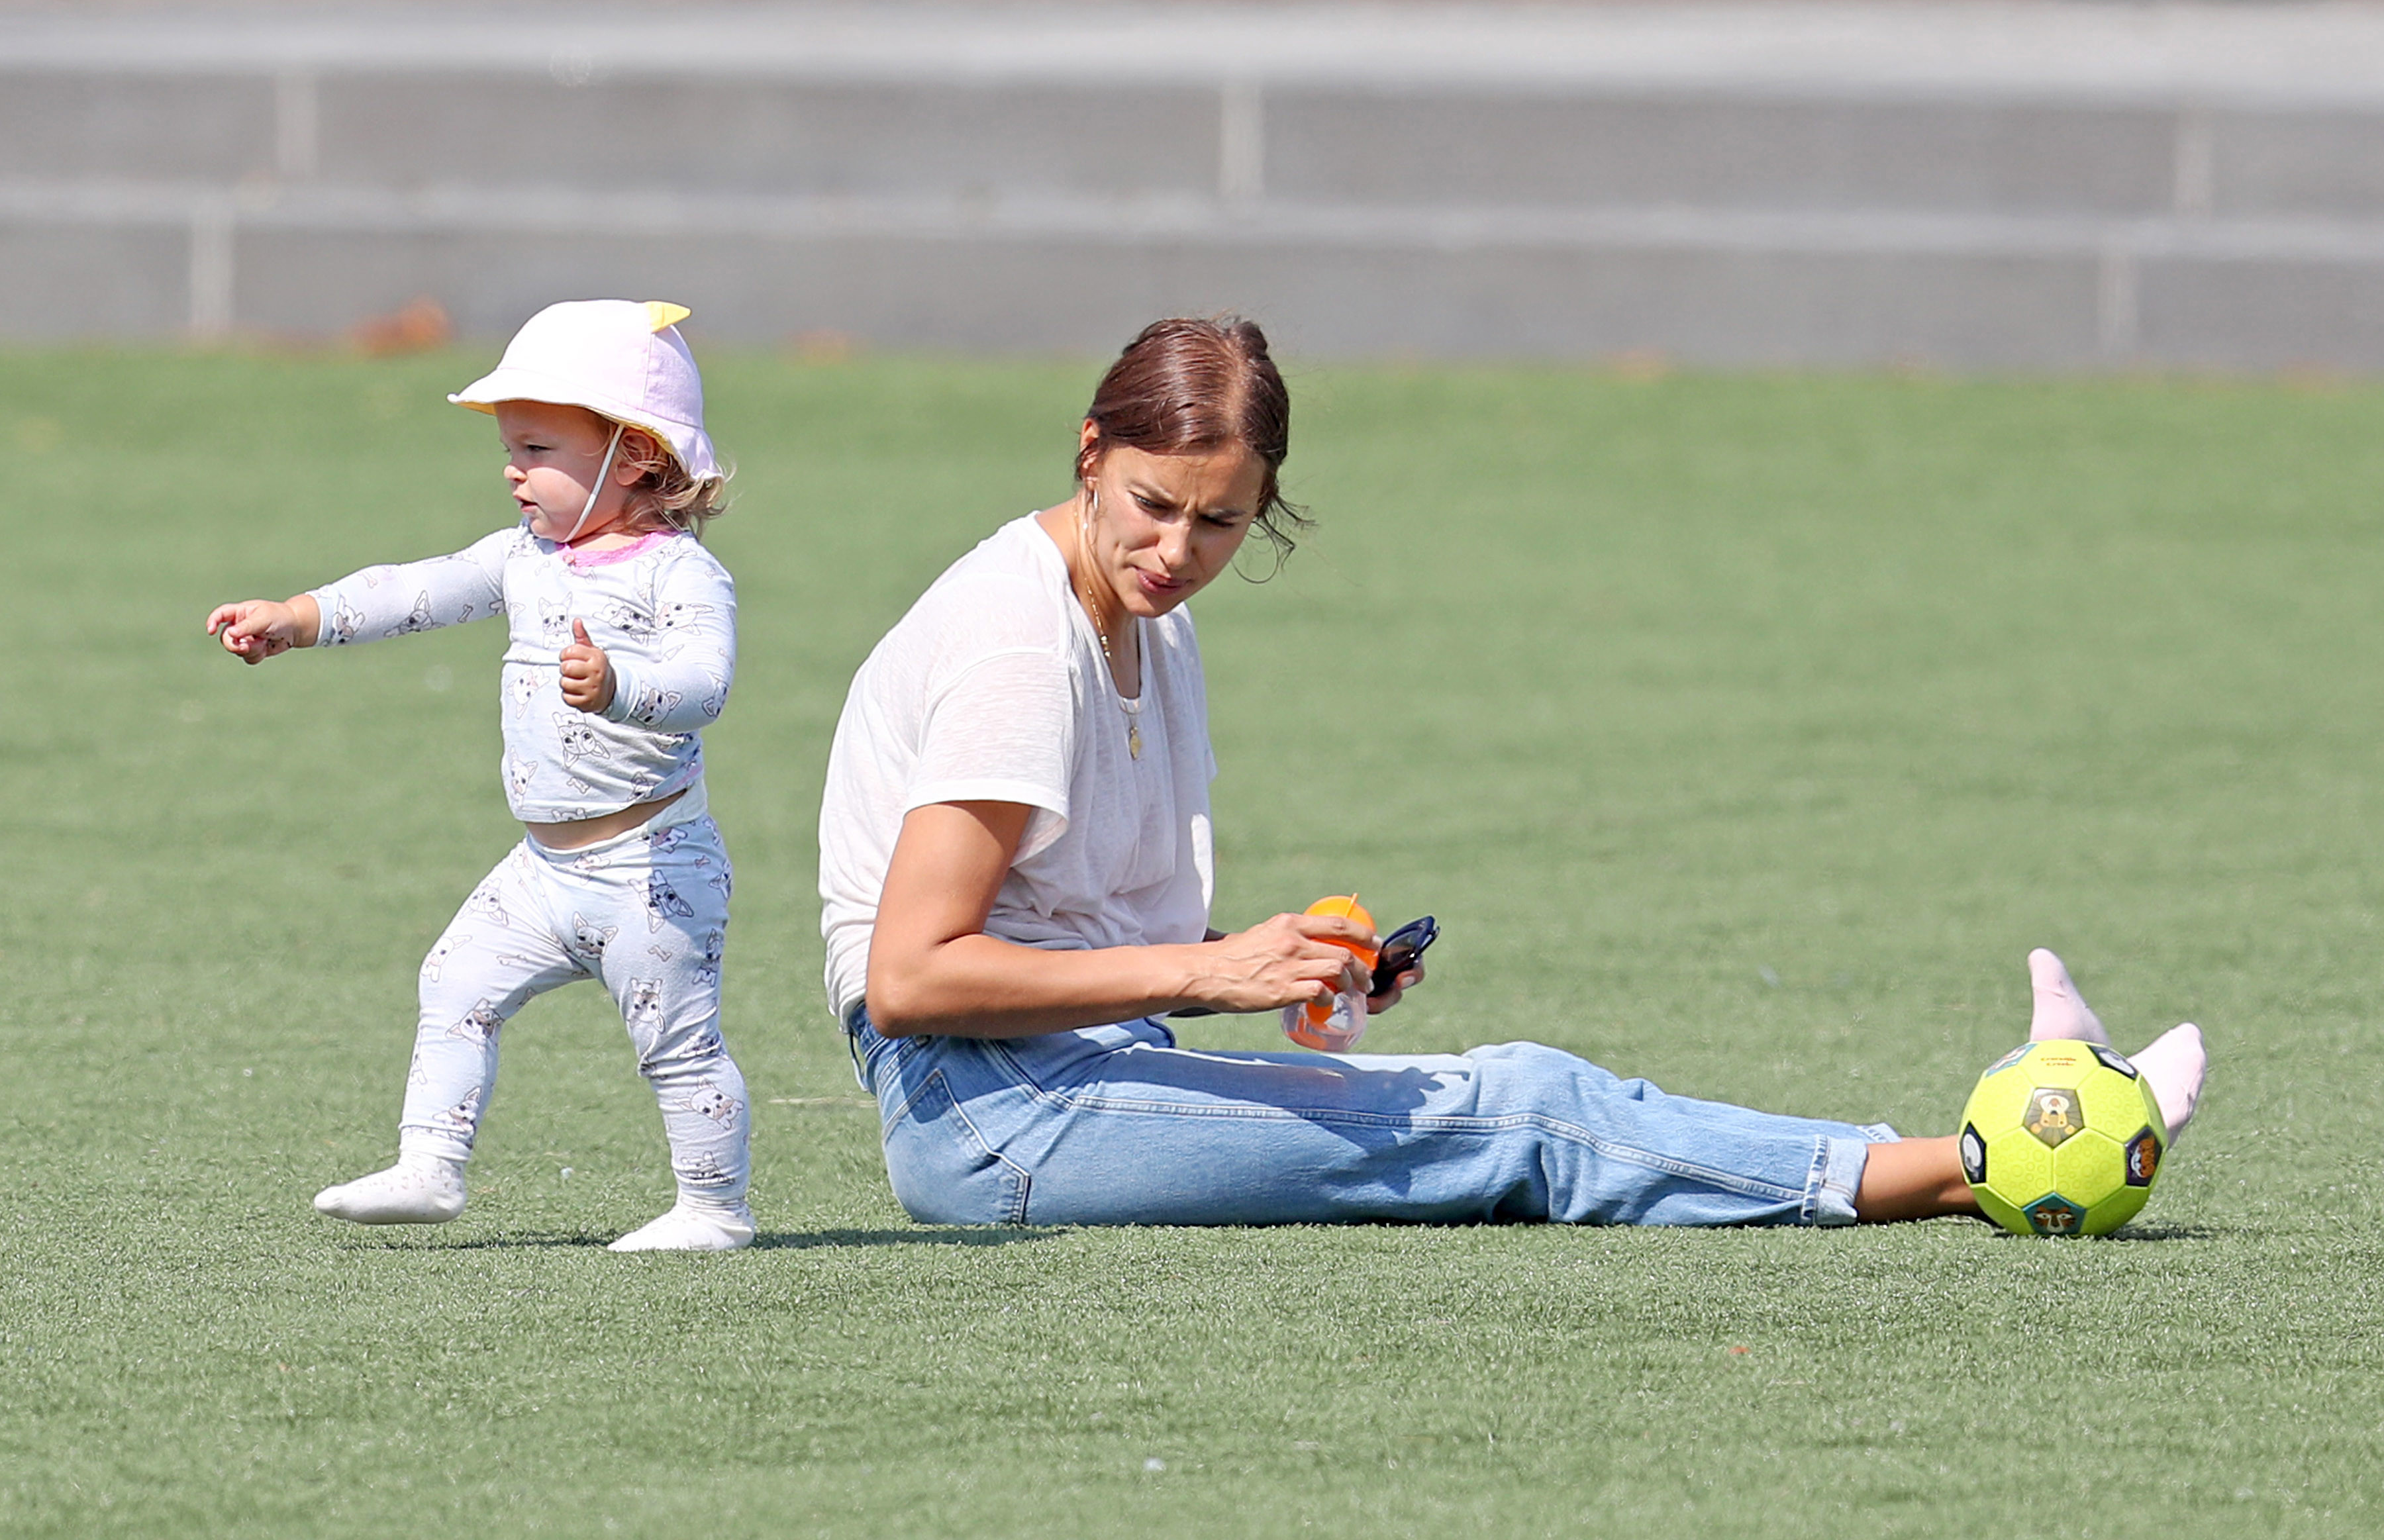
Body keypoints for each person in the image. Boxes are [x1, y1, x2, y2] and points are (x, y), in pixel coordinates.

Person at [818, 316, 2209, 1229]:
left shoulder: (1142, 613)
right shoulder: (1020, 645)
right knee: (1527, 1108)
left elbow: (1068, 933)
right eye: (1153, 506)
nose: (1179, 551)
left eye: (1222, 522)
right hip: (994, 1117)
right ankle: (1999, 1159)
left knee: (1519, 1100)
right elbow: (913, 980)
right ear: (1089, 452)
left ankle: (2021, 1134)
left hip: (1074, 1077)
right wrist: (1213, 968)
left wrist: (1284, 967)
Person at [207, 299, 754, 1252]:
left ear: (636, 455)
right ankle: (430, 1166)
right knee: (454, 980)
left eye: (537, 448)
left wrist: (621, 686)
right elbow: (412, 590)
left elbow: (705, 685)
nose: (512, 469)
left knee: (677, 1046)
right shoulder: (523, 558)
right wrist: (298, 617)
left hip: (651, 869)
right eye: (510, 448)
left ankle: (714, 1211)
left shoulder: (679, 575)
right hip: (543, 869)